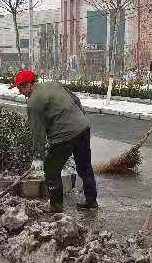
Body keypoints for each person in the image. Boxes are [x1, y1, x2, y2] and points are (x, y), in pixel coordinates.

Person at [12, 69, 99, 213]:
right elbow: (75, 99)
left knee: (51, 170)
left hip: (64, 136)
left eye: (21, 87)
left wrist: (38, 157)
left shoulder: (34, 102)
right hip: (83, 128)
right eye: (18, 87)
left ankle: (56, 206)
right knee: (85, 167)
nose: (20, 91)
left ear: (30, 84)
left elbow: (37, 132)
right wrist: (79, 118)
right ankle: (91, 201)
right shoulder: (53, 84)